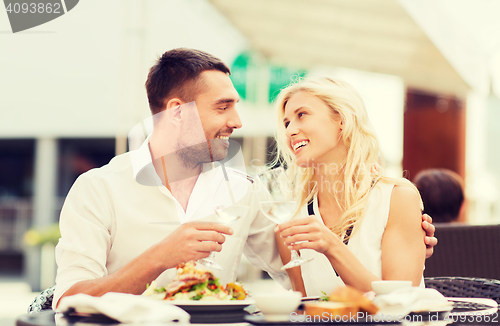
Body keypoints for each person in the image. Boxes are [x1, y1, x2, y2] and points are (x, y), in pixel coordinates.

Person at [53, 49, 436, 308]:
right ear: (176, 113)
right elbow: (69, 299)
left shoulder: (245, 193)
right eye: (224, 107)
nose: (237, 121)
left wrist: (406, 240)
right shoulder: (98, 189)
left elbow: (311, 272)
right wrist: (159, 257)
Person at [273, 76, 427, 296]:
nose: (289, 131)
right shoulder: (290, 222)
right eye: (287, 123)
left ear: (342, 120)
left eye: (302, 115)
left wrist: (331, 246)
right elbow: (303, 311)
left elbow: (401, 303)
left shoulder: (397, 198)